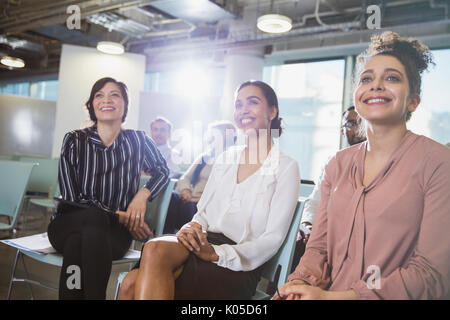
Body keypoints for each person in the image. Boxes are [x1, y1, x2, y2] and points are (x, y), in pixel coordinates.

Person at [276, 31, 450, 300]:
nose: (376, 85)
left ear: (413, 100)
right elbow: (318, 248)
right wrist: (298, 285)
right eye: (366, 79)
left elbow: (431, 275)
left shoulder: (438, 163)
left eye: (392, 78)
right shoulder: (337, 165)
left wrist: (332, 298)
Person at [118, 80, 300, 300]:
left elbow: (272, 239)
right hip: (202, 242)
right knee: (148, 257)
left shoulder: (286, 167)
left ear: (272, 111)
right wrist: (191, 228)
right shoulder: (226, 158)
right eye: (238, 104)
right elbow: (201, 213)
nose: (243, 110)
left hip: (238, 263)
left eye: (252, 102)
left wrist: (217, 254)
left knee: (131, 283)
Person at [47, 77, 170, 300]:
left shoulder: (138, 141)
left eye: (115, 94)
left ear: (125, 105)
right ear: (92, 105)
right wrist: (120, 216)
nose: (107, 99)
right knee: (90, 219)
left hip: (112, 235)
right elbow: (73, 201)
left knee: (78, 242)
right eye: (99, 95)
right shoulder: (74, 140)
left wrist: (143, 195)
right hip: (67, 223)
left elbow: (163, 171)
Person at [298, 106, 366, 246]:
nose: (358, 127)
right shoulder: (333, 162)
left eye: (362, 121)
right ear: (342, 130)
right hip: (331, 240)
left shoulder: (385, 162)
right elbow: (315, 202)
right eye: (351, 123)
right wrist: (307, 224)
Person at [163, 120, 237, 234]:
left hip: (205, 204)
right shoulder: (204, 157)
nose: (210, 140)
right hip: (189, 198)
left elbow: (224, 192)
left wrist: (198, 200)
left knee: (189, 209)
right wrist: (185, 190)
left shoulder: (233, 161)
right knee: (171, 197)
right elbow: (185, 177)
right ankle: (164, 236)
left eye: (214, 136)